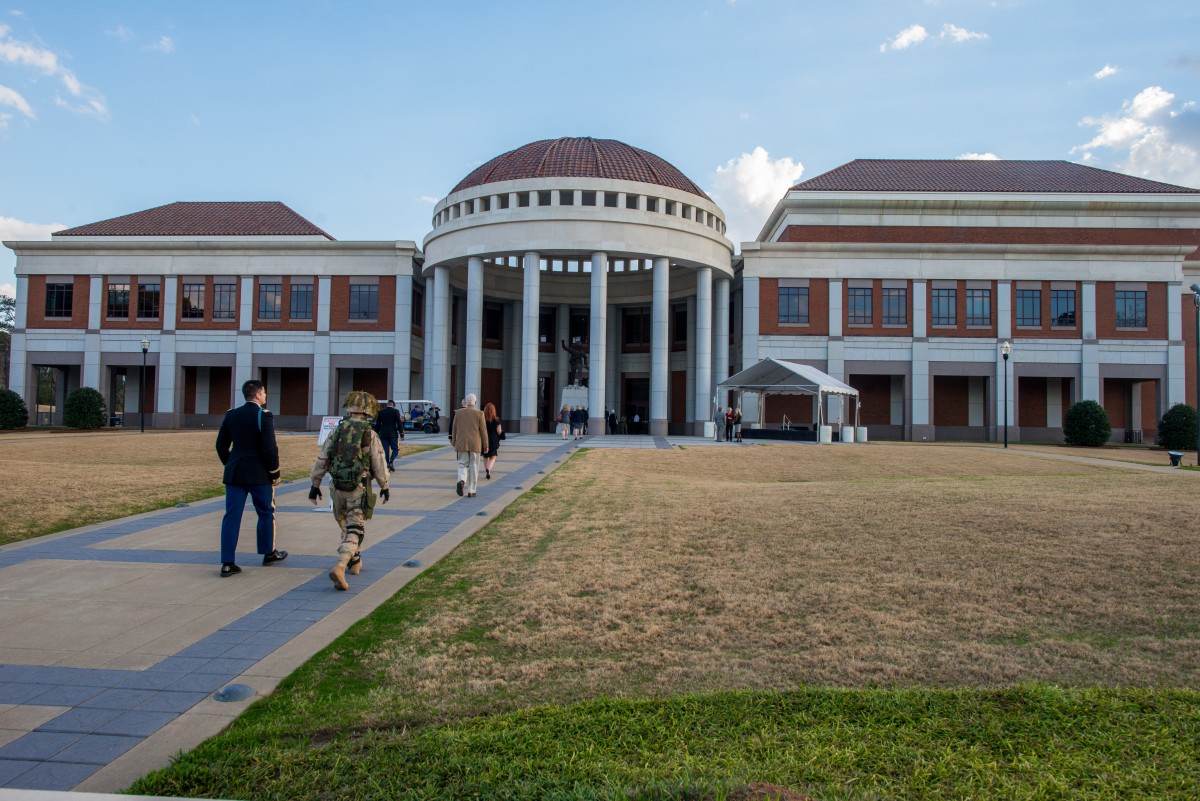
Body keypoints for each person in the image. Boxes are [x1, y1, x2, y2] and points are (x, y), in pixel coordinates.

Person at [308, 390, 390, 591]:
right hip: (358, 487)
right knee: (356, 527)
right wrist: (384, 485)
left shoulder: (337, 431)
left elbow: (322, 458)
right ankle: (341, 565)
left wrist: (314, 484)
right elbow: (378, 462)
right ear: (369, 410)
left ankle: (355, 560)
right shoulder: (369, 434)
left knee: (345, 523)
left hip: (336, 486)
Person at [214, 379, 287, 577]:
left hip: (236, 472)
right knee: (265, 512)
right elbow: (269, 448)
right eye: (263, 392)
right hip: (259, 473)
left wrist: (231, 463)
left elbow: (221, 445)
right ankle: (268, 553)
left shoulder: (232, 415)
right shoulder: (263, 415)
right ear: (257, 395)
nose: (265, 395)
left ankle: (227, 562)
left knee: (231, 516)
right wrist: (275, 472)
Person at [449, 393, 488, 497]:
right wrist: (486, 445)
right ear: (475, 402)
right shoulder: (480, 414)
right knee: (474, 466)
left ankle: (461, 480)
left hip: (461, 443)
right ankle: (471, 490)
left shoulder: (458, 413)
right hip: (475, 444)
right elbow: (483, 431)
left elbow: (454, 428)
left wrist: (454, 441)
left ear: (466, 402)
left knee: (462, 464)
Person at [373, 399, 404, 471]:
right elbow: (399, 423)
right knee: (395, 449)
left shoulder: (380, 412)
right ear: (393, 405)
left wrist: (376, 433)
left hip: (383, 434)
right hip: (393, 433)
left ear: (387, 404)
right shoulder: (396, 412)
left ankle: (387, 465)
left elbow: (377, 424)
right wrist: (401, 433)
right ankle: (391, 461)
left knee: (385, 450)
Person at [483, 402, 503, 479]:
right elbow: (499, 431)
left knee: (485, 456)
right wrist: (502, 435)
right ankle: (489, 469)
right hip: (494, 439)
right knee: (493, 456)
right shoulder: (497, 419)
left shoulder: (483, 419)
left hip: (485, 439)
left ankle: (487, 469)